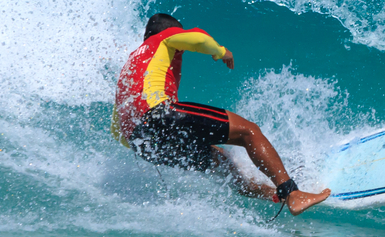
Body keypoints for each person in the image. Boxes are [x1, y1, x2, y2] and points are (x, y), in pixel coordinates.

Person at [111, 13, 330, 215]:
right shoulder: (163, 37)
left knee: (222, 163)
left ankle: (271, 194)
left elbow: (117, 132)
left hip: (144, 146)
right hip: (160, 115)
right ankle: (292, 193)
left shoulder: (130, 66)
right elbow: (197, 38)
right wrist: (222, 52)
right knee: (249, 131)